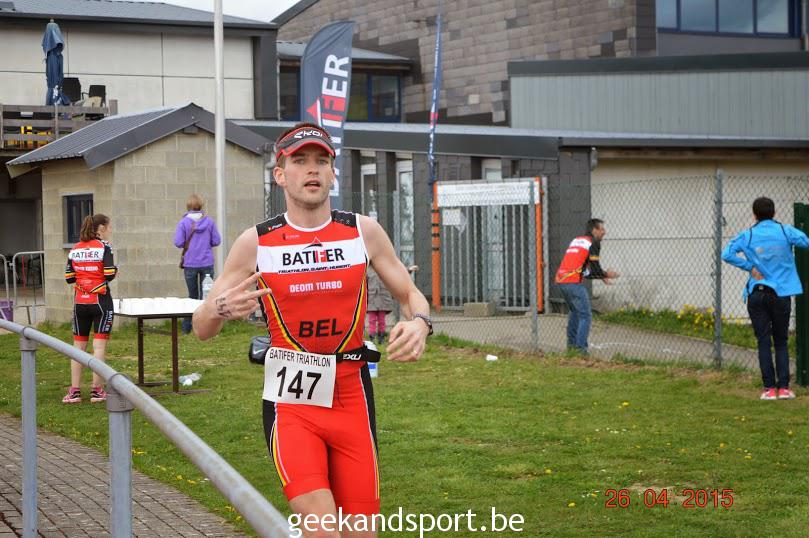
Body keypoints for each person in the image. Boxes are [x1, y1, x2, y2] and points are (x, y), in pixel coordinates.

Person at [192, 122, 432, 537]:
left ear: (332, 173)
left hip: (352, 396)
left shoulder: (362, 231)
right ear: (280, 174)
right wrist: (219, 307)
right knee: (322, 530)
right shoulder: (256, 242)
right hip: (293, 404)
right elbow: (201, 327)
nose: (312, 169)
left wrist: (420, 323)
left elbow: (411, 294)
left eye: (321, 161)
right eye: (300, 161)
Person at [722, 197, 809, 401]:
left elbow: (727, 254)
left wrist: (750, 267)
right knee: (781, 341)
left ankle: (769, 389)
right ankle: (784, 388)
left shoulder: (748, 235)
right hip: (781, 294)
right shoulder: (785, 231)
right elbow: (805, 241)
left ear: (754, 215)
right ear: (774, 212)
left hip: (757, 294)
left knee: (763, 341)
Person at [63, 214, 117, 404]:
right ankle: (96, 391)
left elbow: (69, 277)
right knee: (99, 346)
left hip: (80, 302)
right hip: (100, 301)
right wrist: (115, 270)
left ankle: (74, 392)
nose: (110, 231)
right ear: (101, 228)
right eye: (109, 227)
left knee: (78, 347)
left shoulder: (75, 248)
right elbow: (109, 273)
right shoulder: (104, 246)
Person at [555, 218, 619, 355]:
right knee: (586, 315)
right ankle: (581, 350)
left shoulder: (577, 240)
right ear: (594, 230)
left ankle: (571, 348)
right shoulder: (594, 243)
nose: (604, 232)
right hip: (573, 283)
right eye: (602, 229)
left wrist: (601, 276)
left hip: (561, 281)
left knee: (575, 313)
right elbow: (595, 269)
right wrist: (606, 274)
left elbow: (584, 271)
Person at [174, 194, 221, 334]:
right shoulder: (210, 222)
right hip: (207, 263)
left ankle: (187, 328)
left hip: (190, 264)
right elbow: (217, 241)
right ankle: (207, 328)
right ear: (201, 205)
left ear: (188, 206)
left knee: (192, 296)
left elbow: (178, 242)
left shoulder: (183, 223)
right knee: (206, 297)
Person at [366, 267, 394, 344]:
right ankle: (372, 338)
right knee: (372, 320)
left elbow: (396, 274)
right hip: (371, 299)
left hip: (383, 299)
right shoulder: (367, 270)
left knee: (381, 320)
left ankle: (381, 338)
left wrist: (409, 270)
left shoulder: (385, 268)